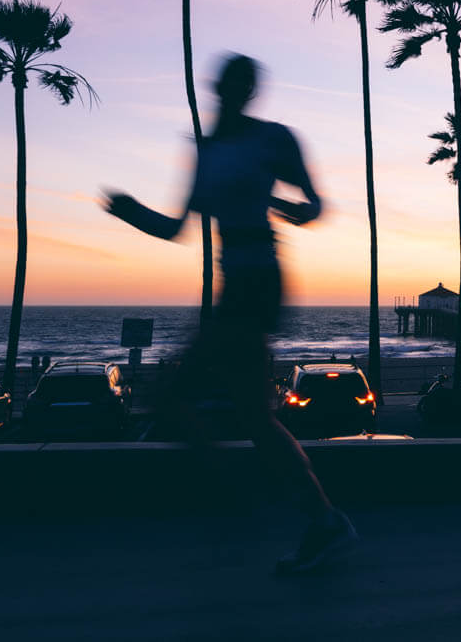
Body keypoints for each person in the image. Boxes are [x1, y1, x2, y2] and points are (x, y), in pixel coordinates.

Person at [104, 54, 356, 574]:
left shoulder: (273, 139)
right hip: (234, 283)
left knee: (174, 397)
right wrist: (129, 211)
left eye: (243, 86)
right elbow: (177, 228)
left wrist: (297, 211)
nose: (233, 93)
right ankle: (320, 520)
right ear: (219, 89)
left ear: (249, 92)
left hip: (259, 279)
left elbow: (316, 204)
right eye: (228, 85)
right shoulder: (208, 150)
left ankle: (246, 497)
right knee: (251, 417)